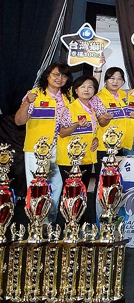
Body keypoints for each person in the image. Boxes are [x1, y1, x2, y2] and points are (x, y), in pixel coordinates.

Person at [14, 63, 72, 205]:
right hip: (37, 149)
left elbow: (89, 92)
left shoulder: (68, 97)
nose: (60, 78)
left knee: (57, 185)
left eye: (64, 75)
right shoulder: (35, 94)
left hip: (59, 148)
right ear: (47, 75)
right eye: (56, 74)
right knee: (37, 186)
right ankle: (37, 217)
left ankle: (50, 217)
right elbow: (19, 121)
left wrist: (98, 68)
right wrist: (27, 102)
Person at [56, 76, 107, 222]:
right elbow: (62, 132)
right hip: (69, 159)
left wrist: (96, 139)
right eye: (82, 87)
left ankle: (78, 225)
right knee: (70, 193)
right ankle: (65, 226)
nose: (86, 90)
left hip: (86, 157)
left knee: (82, 192)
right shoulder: (70, 108)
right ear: (76, 90)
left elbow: (93, 130)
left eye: (90, 87)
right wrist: (76, 125)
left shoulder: (92, 109)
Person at [94, 66, 134, 156]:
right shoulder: (98, 97)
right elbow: (101, 123)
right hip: (105, 146)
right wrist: (106, 118)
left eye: (119, 79)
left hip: (121, 145)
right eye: (112, 78)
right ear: (106, 80)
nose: (115, 81)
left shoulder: (126, 94)